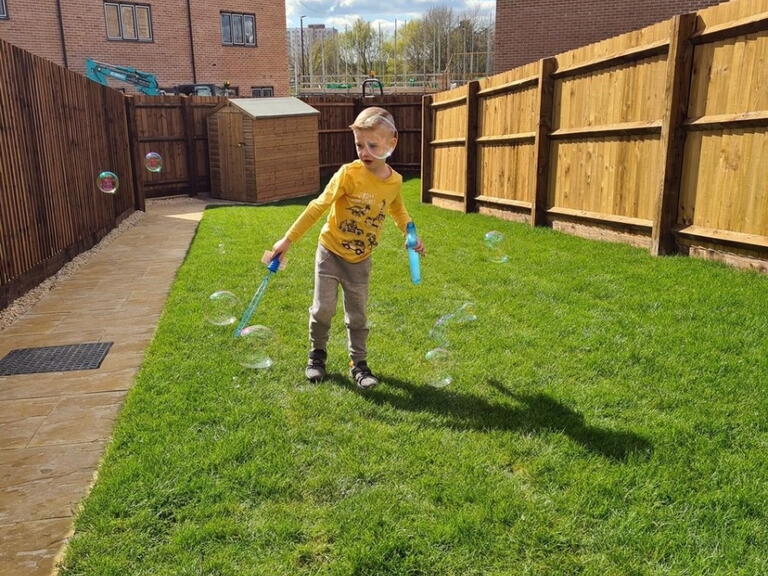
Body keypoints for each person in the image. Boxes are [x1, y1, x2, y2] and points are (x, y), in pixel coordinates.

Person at [270, 106, 425, 389]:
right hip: (330, 253)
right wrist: (287, 239)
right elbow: (318, 206)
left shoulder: (394, 181)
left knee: (358, 316)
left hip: (360, 261)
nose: (364, 152)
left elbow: (398, 211)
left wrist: (409, 232)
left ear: (392, 142)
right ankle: (317, 356)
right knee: (323, 309)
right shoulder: (348, 174)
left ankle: (359, 364)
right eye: (359, 145)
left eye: (372, 145)